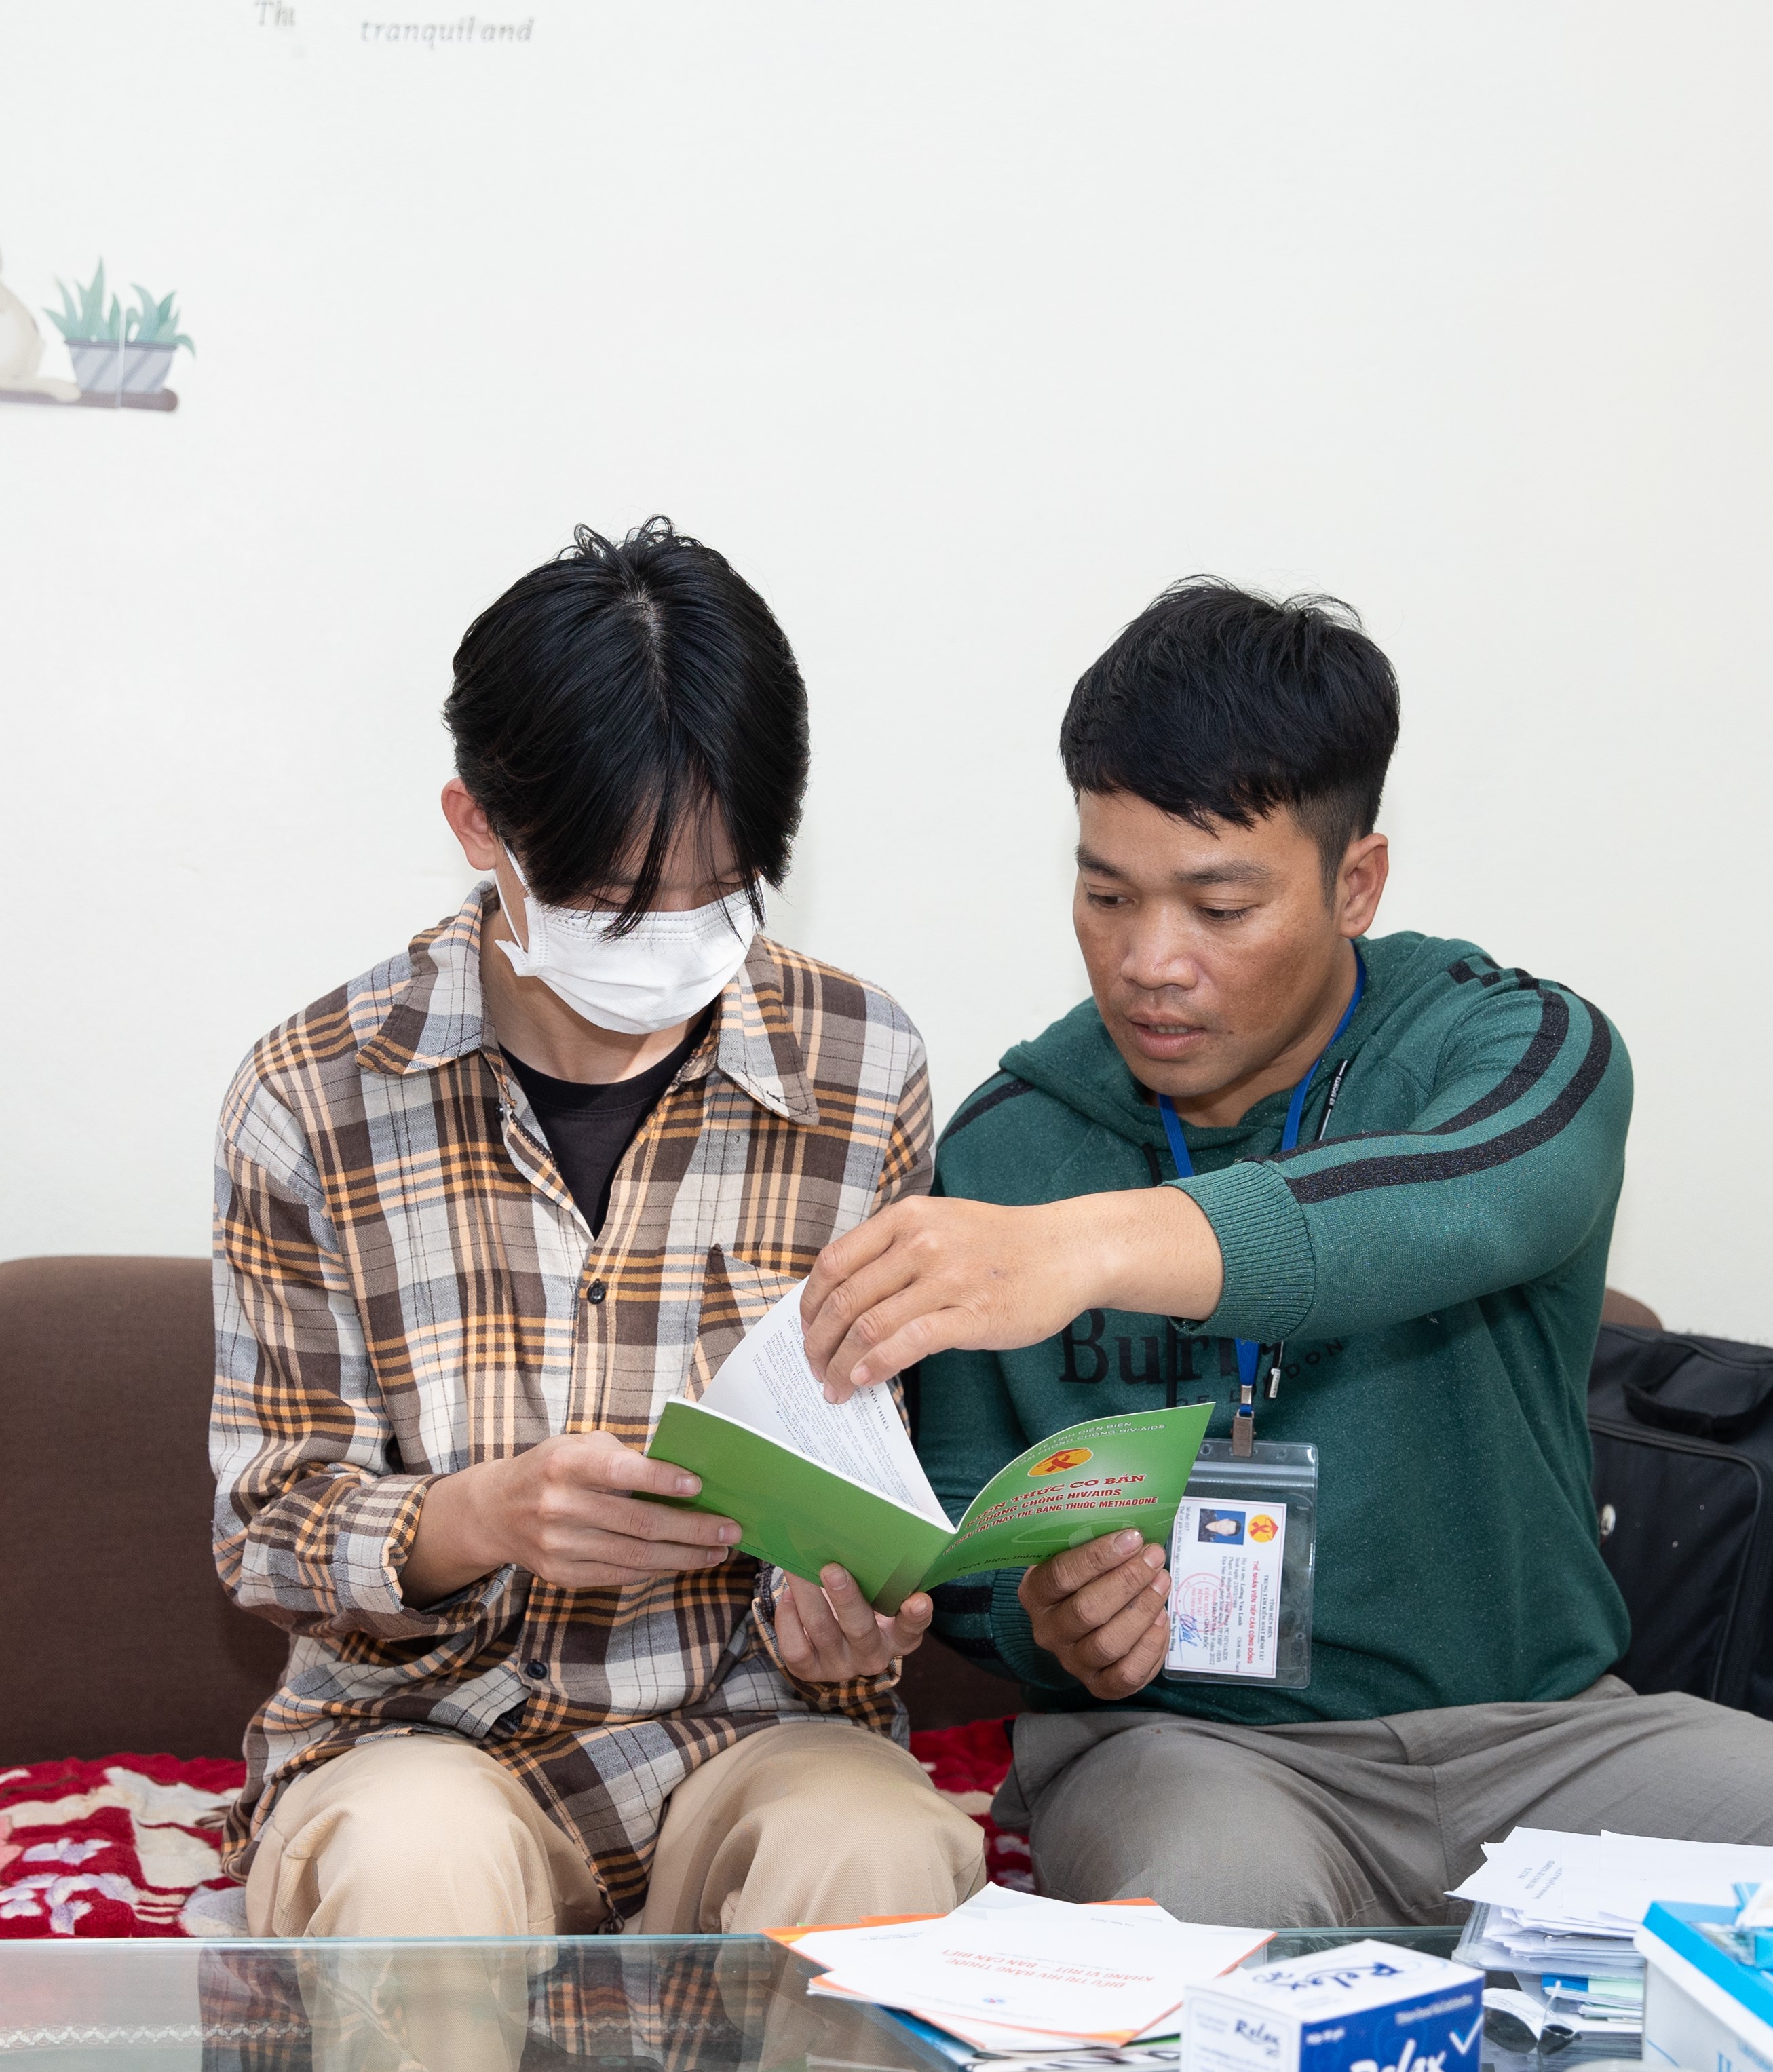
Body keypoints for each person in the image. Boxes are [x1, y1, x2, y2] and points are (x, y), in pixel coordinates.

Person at [801, 576, 1773, 1927]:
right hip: (1188, 1755)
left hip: (1548, 1738)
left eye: (1218, 908)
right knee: (1216, 1928)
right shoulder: (1012, 1149)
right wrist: (1043, 1617)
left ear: (1353, 883)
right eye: (1104, 893)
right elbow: (960, 1524)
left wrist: (1086, 1250)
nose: (1149, 961)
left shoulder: (1517, 1049)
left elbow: (1463, 1205)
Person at [212, 517, 983, 1940]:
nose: (674, 942)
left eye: (721, 894)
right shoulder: (314, 1093)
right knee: (412, 1869)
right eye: (615, 905)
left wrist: (858, 1615)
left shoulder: (862, 1067)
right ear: (478, 828)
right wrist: (478, 1516)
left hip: (757, 1730)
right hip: (422, 1736)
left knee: (876, 1852)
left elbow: (879, 1468)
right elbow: (267, 1527)